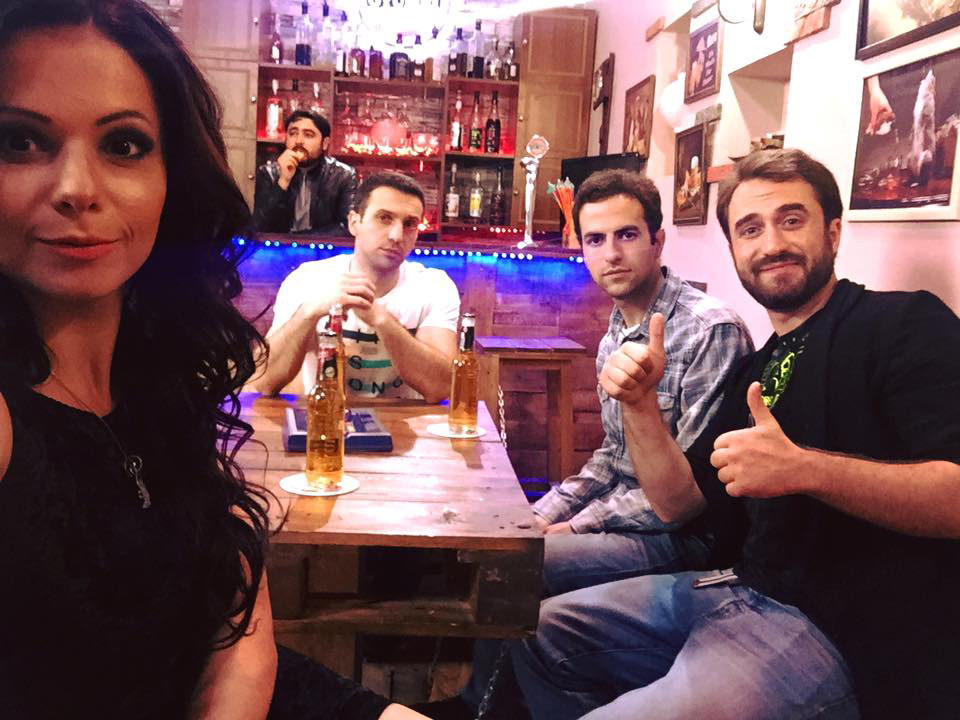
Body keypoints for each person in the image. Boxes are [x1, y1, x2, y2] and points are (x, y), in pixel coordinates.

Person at [0, 2, 427, 719]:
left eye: (124, 144)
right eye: (19, 140)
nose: (76, 188)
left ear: (174, 177)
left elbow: (239, 622)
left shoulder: (161, 379)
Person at [509, 149, 960, 720]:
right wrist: (641, 406)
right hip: (732, 587)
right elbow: (678, 504)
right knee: (533, 631)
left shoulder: (901, 324)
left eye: (791, 220)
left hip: (836, 626)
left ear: (834, 232)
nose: (771, 243)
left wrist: (807, 470)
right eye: (750, 229)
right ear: (734, 250)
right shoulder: (757, 367)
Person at [421, 170, 752, 720]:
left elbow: (687, 497)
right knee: (512, 543)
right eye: (595, 239)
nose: (611, 253)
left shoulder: (709, 330)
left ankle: (484, 709)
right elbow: (611, 459)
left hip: (688, 535)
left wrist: (577, 527)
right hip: (633, 518)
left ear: (657, 241)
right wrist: (540, 514)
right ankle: (485, 700)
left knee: (525, 566)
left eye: (627, 235)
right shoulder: (616, 332)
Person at [254, 171, 459, 402]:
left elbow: (442, 387)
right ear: (354, 222)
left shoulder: (434, 286)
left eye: (409, 224)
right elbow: (263, 382)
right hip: (326, 418)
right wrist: (310, 312)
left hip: (403, 423)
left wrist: (382, 321)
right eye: (384, 218)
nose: (396, 235)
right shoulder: (307, 280)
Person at [254, 109, 357, 235]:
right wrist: (283, 181)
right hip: (279, 246)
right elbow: (260, 226)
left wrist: (304, 239)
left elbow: (347, 226)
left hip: (322, 246)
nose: (298, 141)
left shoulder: (342, 175)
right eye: (293, 133)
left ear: (324, 143)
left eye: (308, 135)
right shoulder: (268, 173)